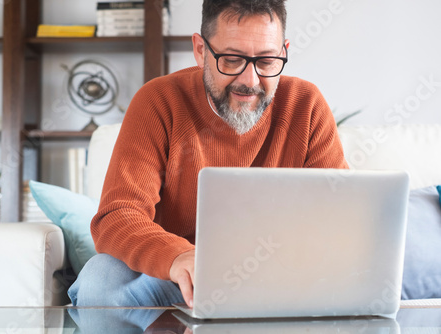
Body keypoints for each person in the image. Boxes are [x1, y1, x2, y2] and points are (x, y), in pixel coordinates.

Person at [68, 0, 348, 310]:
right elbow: (117, 216)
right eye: (231, 60)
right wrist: (178, 256)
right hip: (176, 281)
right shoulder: (158, 101)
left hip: (280, 281)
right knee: (101, 278)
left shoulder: (306, 105)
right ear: (201, 50)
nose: (250, 81)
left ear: (283, 52)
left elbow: (340, 217)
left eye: (267, 61)